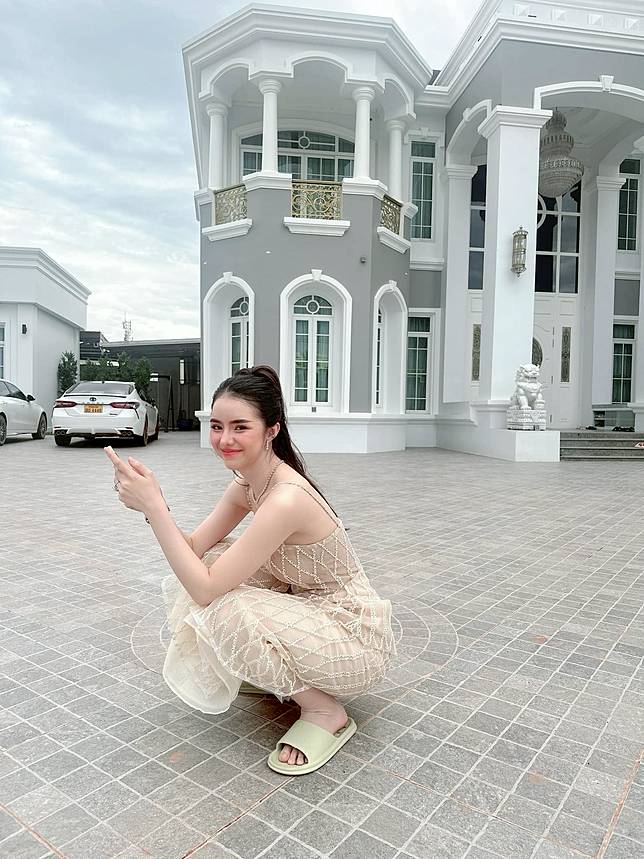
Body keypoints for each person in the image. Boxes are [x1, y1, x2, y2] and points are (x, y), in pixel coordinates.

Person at [105, 365, 395, 775]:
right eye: (217, 426)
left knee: (226, 606)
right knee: (209, 563)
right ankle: (280, 673)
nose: (225, 439)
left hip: (351, 639)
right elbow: (193, 550)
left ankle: (324, 711)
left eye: (240, 427)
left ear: (271, 430)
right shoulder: (248, 484)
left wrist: (153, 506)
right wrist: (156, 505)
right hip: (309, 614)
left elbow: (206, 591)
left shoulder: (286, 498)